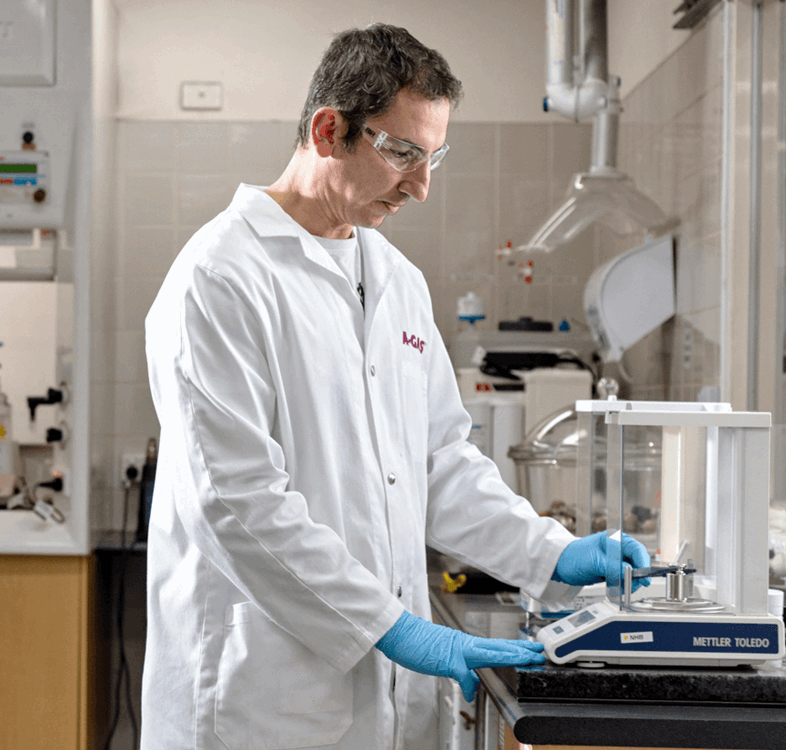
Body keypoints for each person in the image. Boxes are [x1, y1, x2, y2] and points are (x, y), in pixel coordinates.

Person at [142, 24, 649, 750]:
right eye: (404, 152)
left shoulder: (397, 283)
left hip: (384, 701)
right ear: (328, 130)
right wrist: (394, 628)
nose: (422, 185)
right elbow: (237, 501)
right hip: (260, 699)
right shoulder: (221, 279)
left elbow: (439, 460)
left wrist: (548, 553)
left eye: (434, 156)